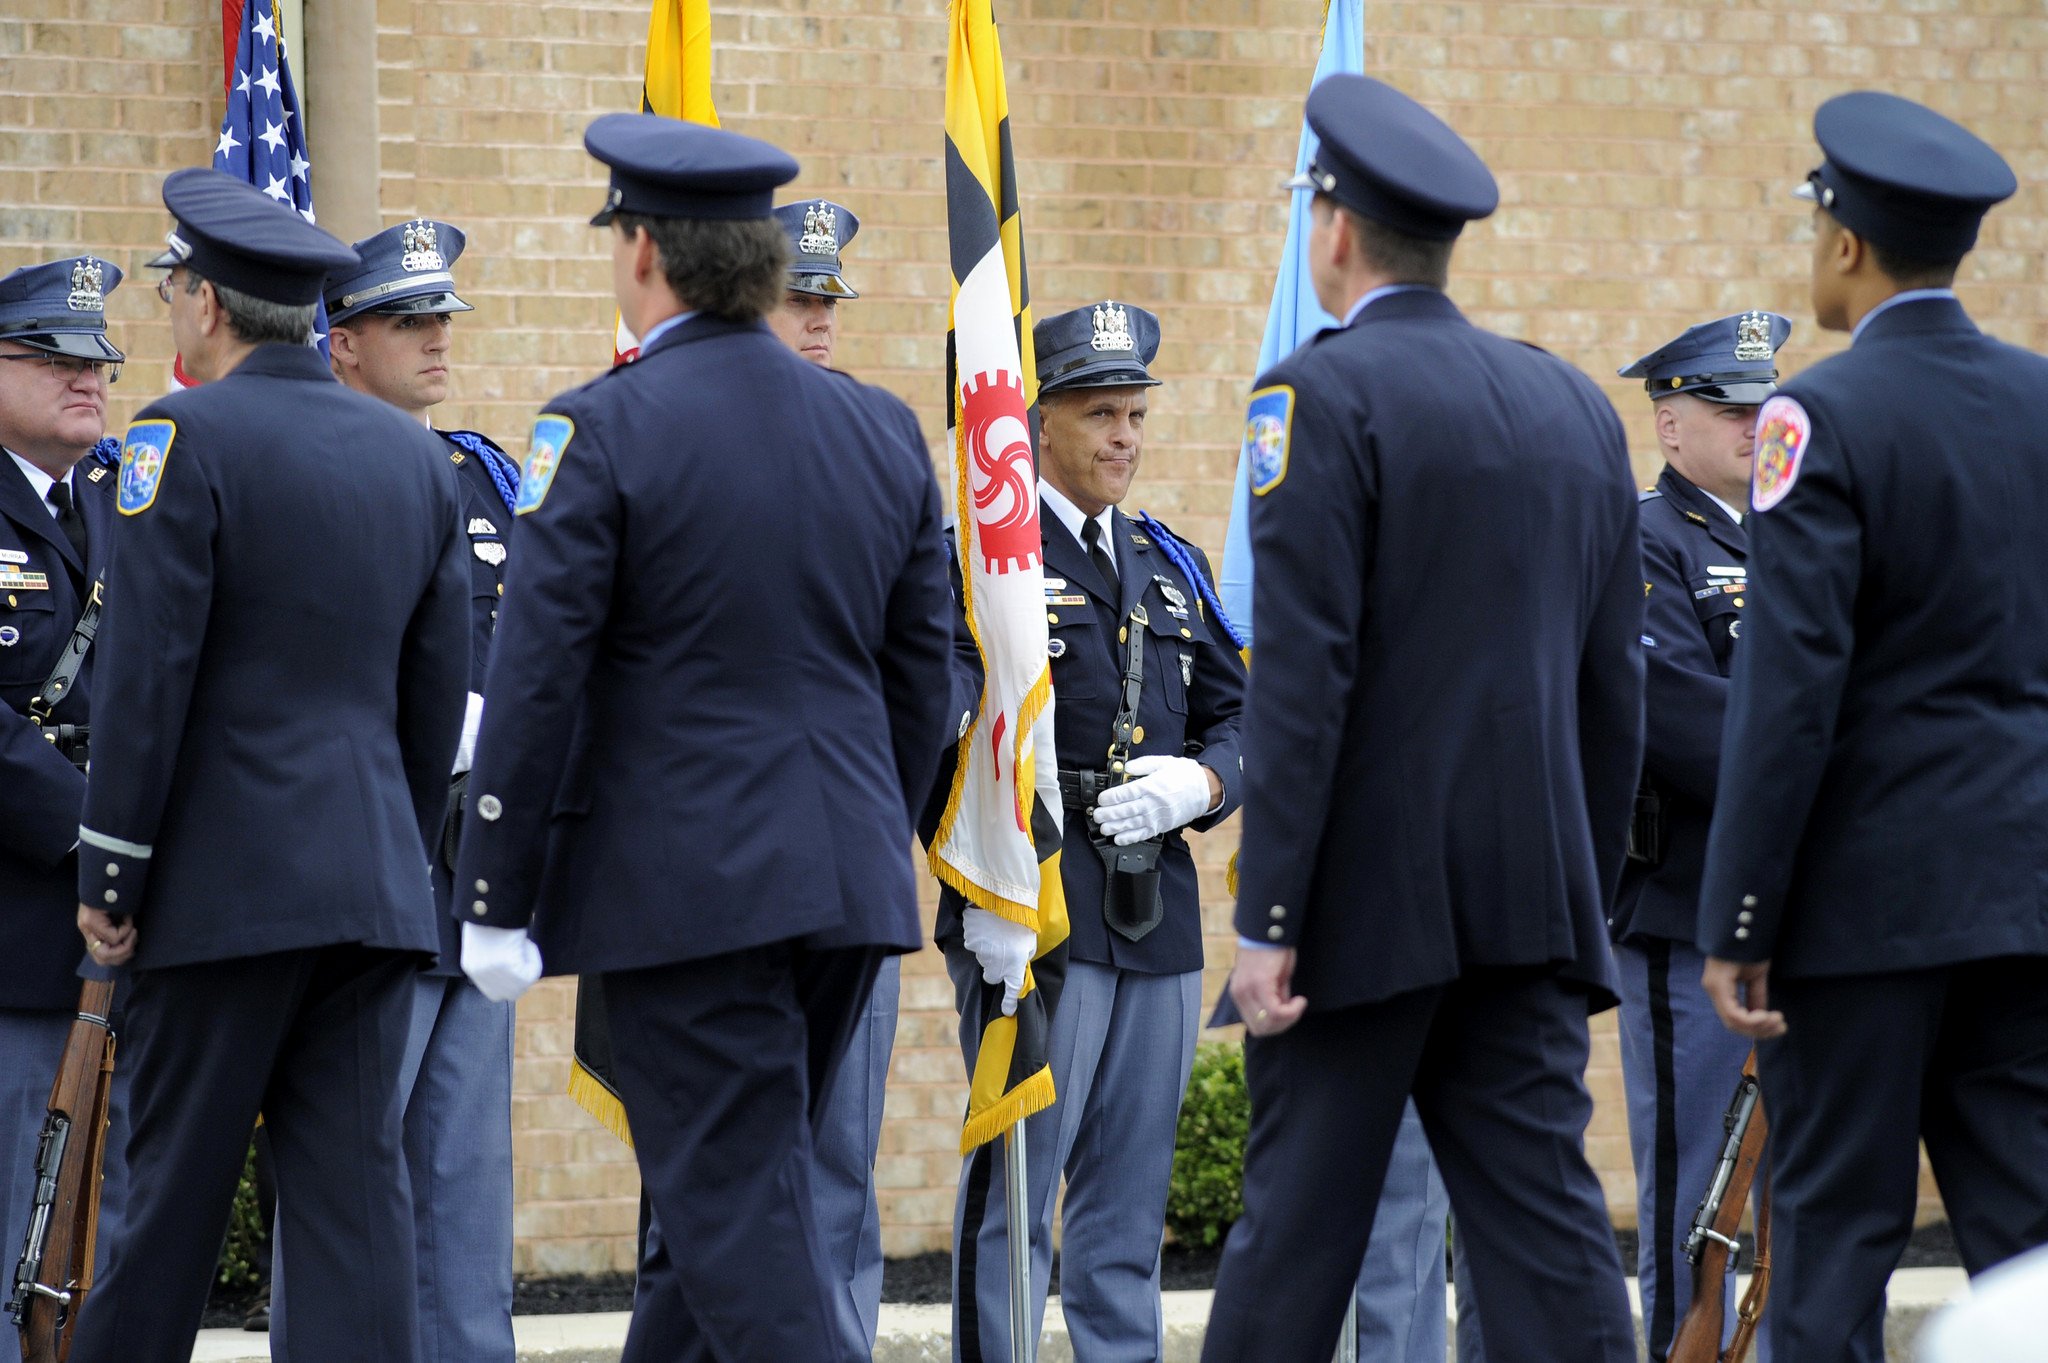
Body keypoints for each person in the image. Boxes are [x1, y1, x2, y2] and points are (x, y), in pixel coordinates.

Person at [449, 113, 954, 1363]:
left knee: (733, 1214)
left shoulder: (602, 427)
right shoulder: (880, 429)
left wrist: (495, 889)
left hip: (689, 892)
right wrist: (858, 828)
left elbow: (536, 675)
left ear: (642, 254)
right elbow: (921, 675)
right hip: (838, 881)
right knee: (728, 1194)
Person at [1204, 74, 1642, 1363]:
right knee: (1548, 1243)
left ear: (1331, 229)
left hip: (1361, 913)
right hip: (1530, 901)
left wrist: (1269, 915)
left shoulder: (1316, 399)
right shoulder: (1572, 406)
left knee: (1291, 1242)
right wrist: (1588, 890)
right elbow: (1610, 686)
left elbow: (1304, 677)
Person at [67, 167, 470, 1363]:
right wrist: (385, 847)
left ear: (207, 304)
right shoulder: (412, 459)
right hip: (369, 894)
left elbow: (148, 684)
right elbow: (431, 693)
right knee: (356, 1217)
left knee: (165, 1213)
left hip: (222, 898)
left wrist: (111, 878)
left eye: (171, 285)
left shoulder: (181, 436)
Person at [1698, 91, 2048, 1363]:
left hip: (1862, 918)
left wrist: (1739, 919)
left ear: (1843, 244)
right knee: (2028, 1241)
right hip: (2020, 896)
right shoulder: (2038, 401)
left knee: (1835, 1233)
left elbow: (1790, 690)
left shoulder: (1815, 415)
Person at [941, 299, 1247, 1363]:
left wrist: (1202, 783)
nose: (1123, 437)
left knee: (1125, 1215)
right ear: (1033, 425)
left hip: (1152, 904)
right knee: (1017, 1195)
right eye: (1100, 414)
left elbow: (1246, 714)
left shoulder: (1168, 564)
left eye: (1134, 415)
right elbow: (942, 726)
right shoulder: (987, 565)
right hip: (1035, 905)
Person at [260, 218, 518, 1361]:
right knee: (348, 1199)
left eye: (441, 317)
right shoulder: (294, 465)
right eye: (408, 320)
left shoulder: (486, 476)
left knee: (465, 1202)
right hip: (361, 875)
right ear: (341, 340)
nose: (434, 338)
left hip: (473, 883)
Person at [1610, 309, 1794, 1362]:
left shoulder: (1797, 531)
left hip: (1802, 911)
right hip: (1691, 910)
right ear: (1669, 425)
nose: (1749, 426)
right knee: (1700, 1195)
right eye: (1727, 410)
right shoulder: (1644, 538)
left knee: (1788, 1194)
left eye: (1761, 408)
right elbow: (1681, 719)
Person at [0, 255, 132, 1363]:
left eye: (97, 357)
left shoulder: (118, 501)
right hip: (17, 926)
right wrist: (98, 835)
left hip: (124, 924)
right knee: (8, 1237)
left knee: (102, 1244)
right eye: (51, 355)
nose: (87, 375)